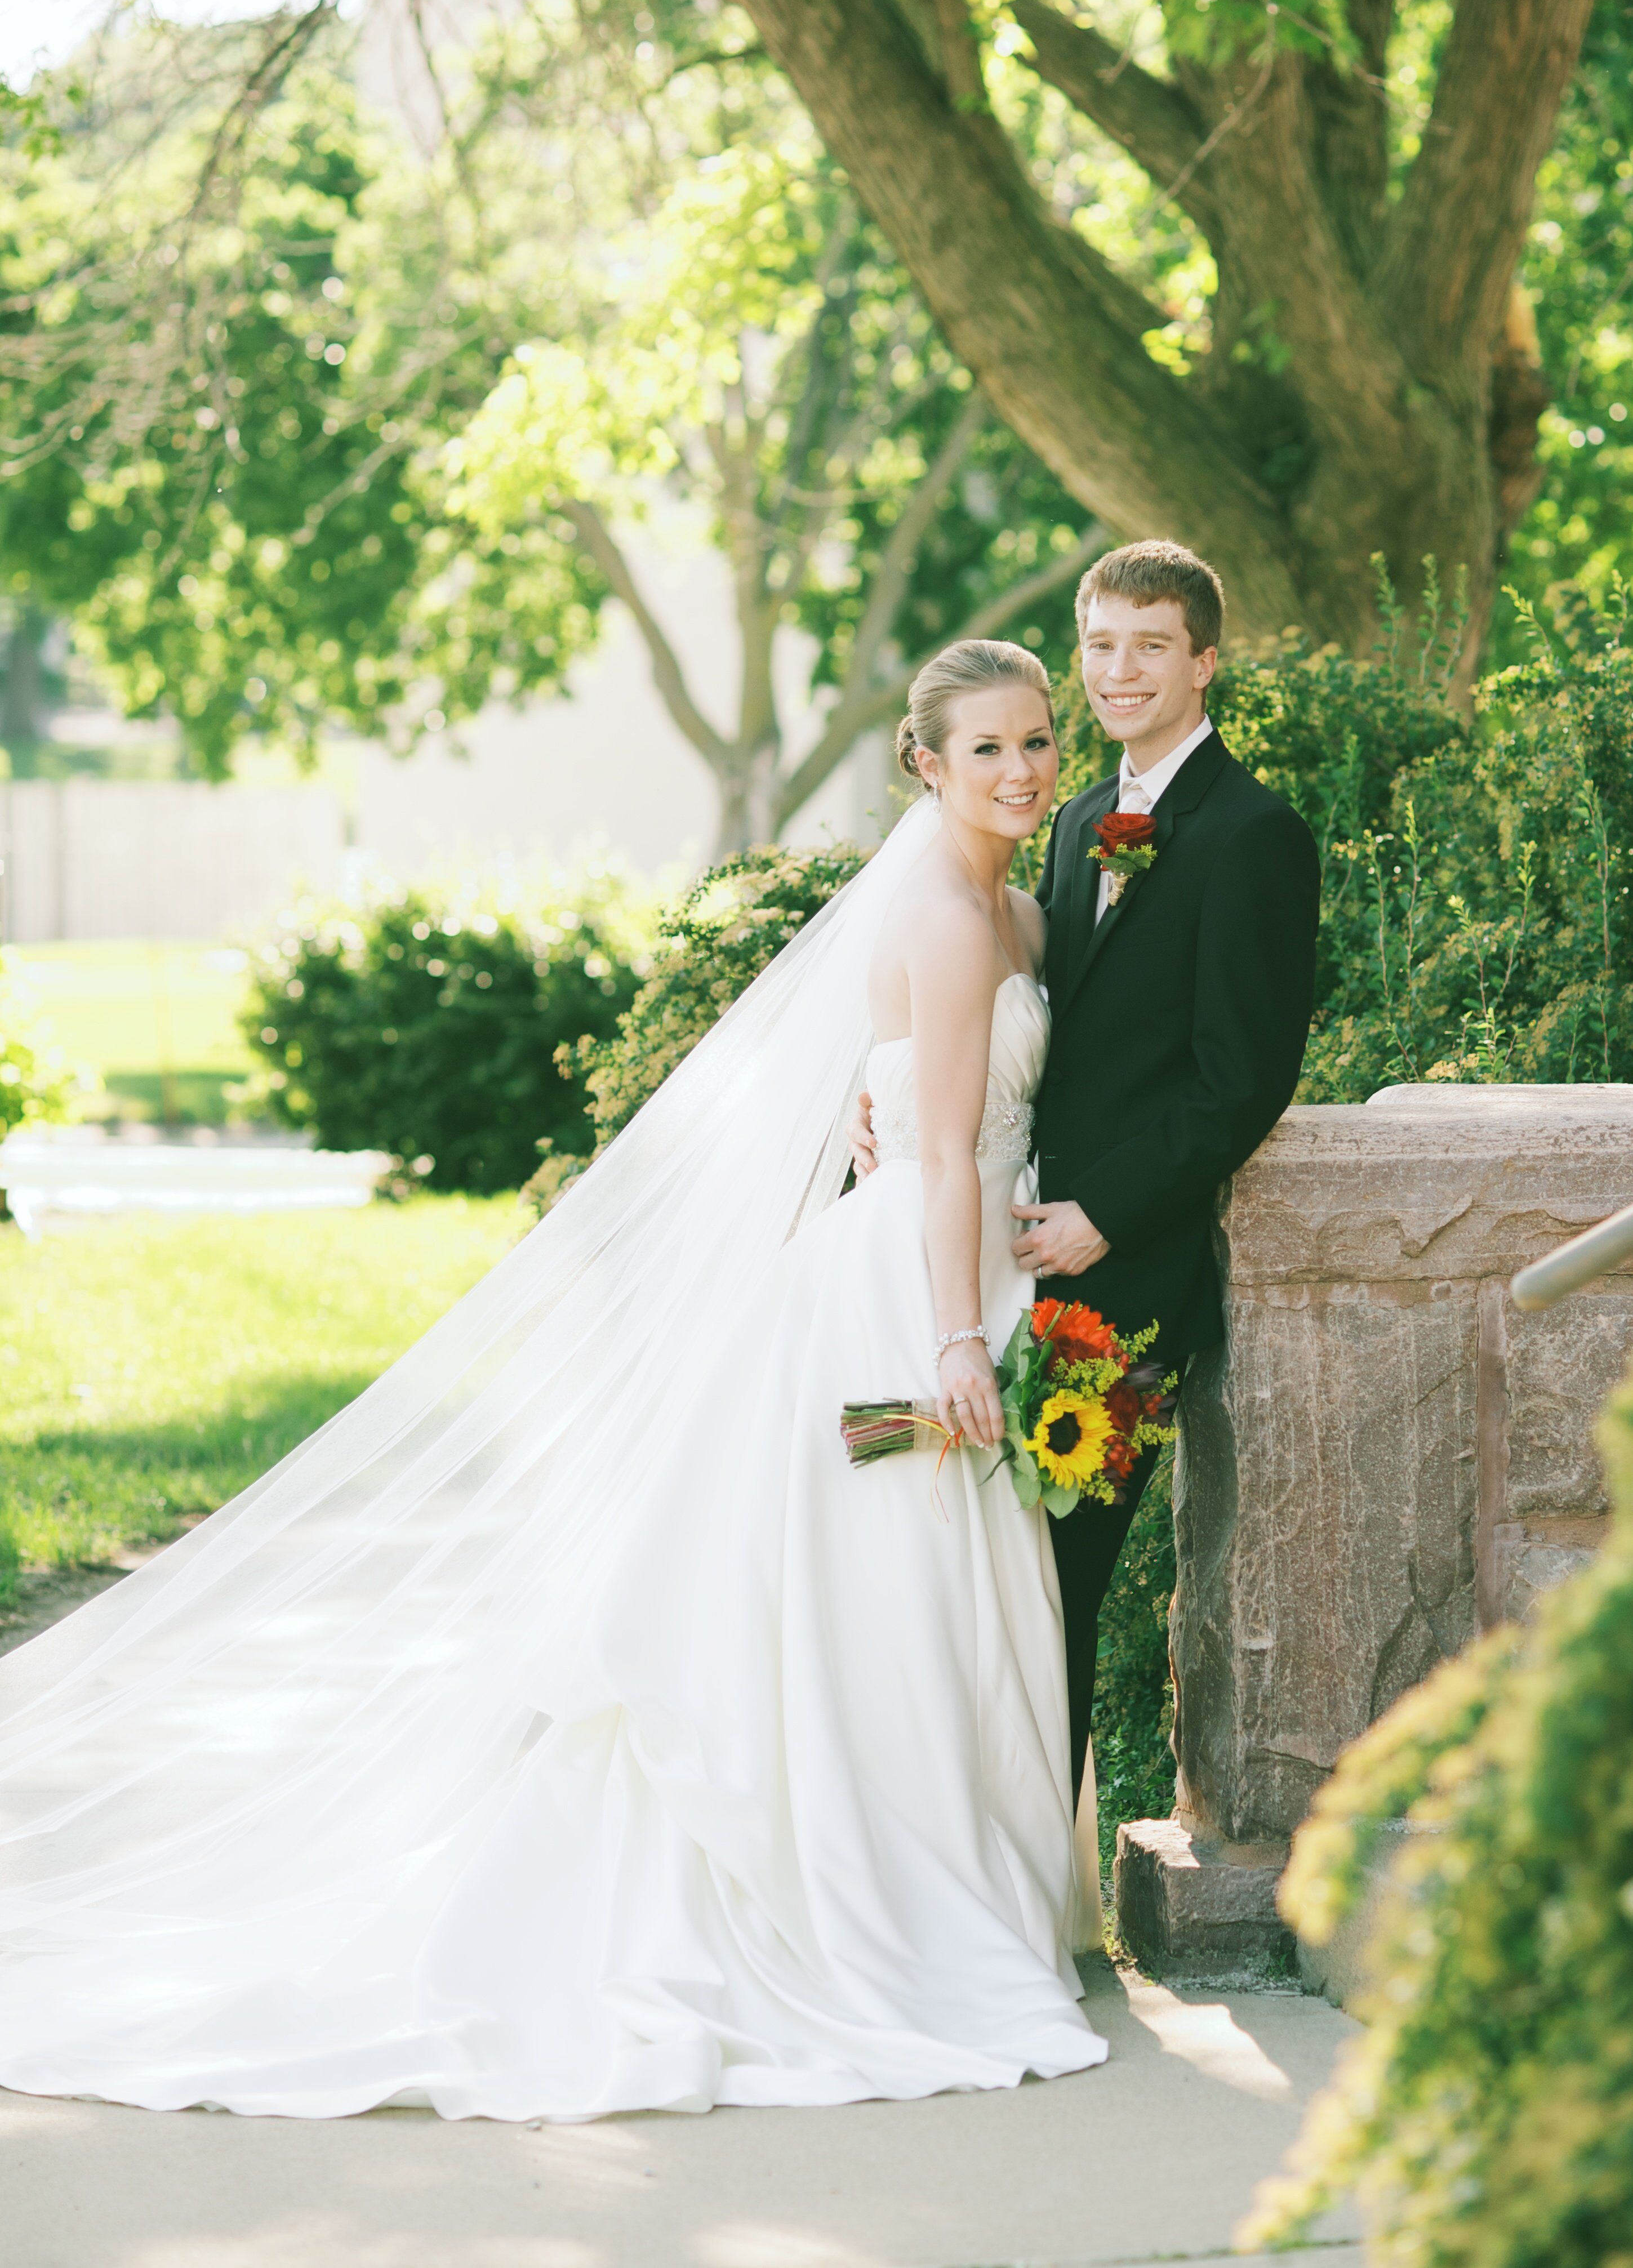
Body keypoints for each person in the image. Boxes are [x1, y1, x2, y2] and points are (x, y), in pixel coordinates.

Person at [0, 638, 1109, 2124]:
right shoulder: (953, 918)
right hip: (910, 1302)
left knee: (924, 1605)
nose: (1023, 769)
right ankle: (875, 1900)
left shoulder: (1014, 907)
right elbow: (935, 1142)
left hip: (946, 1257)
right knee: (888, 1608)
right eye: (986, 748)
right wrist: (961, 1338)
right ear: (924, 763)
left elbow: (909, 1108)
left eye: (1037, 739)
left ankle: (935, 1883)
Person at [852, 543, 1321, 1804]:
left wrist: (1105, 1218)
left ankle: (1019, 1896)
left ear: (1205, 662)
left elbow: (1241, 1077)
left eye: (1151, 646)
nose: (1119, 672)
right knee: (978, 1590)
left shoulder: (1255, 835)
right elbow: (1012, 1026)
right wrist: (887, 1090)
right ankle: (976, 1876)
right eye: (1101, 644)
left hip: (1124, 1278)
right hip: (999, 1258)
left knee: (1059, 1587)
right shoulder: (1061, 825)